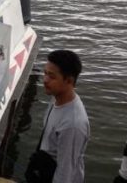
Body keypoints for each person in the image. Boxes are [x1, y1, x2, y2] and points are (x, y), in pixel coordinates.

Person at [27, 49, 90, 183]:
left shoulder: (73, 124)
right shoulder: (56, 98)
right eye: (45, 73)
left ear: (69, 80)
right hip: (44, 170)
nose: (45, 80)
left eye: (52, 76)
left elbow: (65, 173)